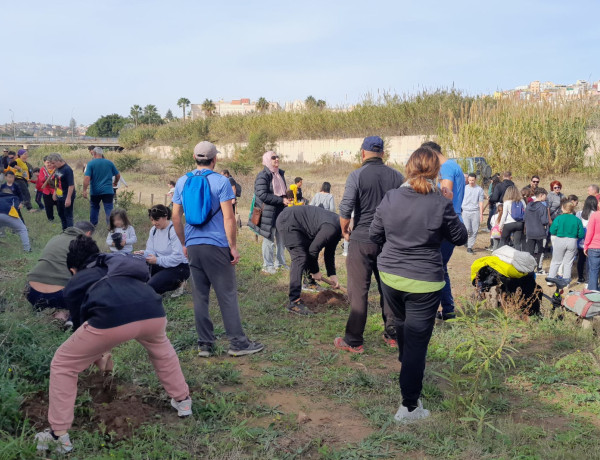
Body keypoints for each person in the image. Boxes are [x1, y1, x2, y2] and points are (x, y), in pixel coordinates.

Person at [35, 236, 192, 455]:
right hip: (152, 311)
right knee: (161, 351)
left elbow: (86, 331)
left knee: (63, 363)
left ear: (73, 269)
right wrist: (103, 352)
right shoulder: (115, 262)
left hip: (111, 321)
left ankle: (57, 435)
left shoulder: (75, 285)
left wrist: (100, 355)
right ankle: (183, 401)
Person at [369, 146, 467, 422]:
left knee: (401, 325)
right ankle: (409, 406)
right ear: (436, 171)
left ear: (409, 168)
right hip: (424, 281)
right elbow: (460, 237)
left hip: (390, 276)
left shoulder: (391, 197)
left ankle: (406, 367)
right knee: (416, 345)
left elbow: (375, 234)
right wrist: (449, 204)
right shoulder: (440, 202)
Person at [172, 141, 263, 357]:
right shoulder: (221, 181)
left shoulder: (182, 181)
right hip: (216, 245)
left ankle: (205, 344)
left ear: (194, 157)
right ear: (215, 159)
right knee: (227, 295)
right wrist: (233, 246)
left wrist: (184, 243)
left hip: (193, 245)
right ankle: (238, 344)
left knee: (200, 296)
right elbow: (229, 217)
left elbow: (176, 216)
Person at [335, 136, 405, 353]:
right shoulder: (397, 176)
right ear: (383, 154)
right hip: (389, 241)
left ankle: (354, 340)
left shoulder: (357, 175)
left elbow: (346, 208)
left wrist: (345, 230)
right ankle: (393, 335)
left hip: (362, 239)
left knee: (359, 290)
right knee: (389, 288)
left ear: (362, 153)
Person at [422, 141, 465, 320]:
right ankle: (447, 310)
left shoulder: (446, 168)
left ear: (432, 153)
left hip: (446, 223)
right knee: (440, 267)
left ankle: (431, 310)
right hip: (453, 220)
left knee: (434, 267)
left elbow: (444, 194)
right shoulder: (454, 166)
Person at [276, 205, 342, 315]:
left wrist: (332, 275)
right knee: (300, 257)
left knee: (305, 251)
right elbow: (313, 250)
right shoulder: (331, 227)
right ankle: (294, 302)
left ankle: (309, 282)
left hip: (299, 225)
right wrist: (315, 271)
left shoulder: (338, 227)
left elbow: (329, 253)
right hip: (288, 221)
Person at [26, 221, 95, 325]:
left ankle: (41, 310)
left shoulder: (55, 238)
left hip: (31, 291)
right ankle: (71, 319)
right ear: (88, 233)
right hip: (58, 296)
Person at [248, 151, 290, 274]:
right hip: (268, 213)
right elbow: (262, 194)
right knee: (269, 239)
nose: (276, 159)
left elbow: (281, 192)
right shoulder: (263, 176)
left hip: (280, 212)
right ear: (267, 160)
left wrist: (286, 198)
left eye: (277, 157)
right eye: (273, 158)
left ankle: (280, 263)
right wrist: (281, 200)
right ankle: (268, 265)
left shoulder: (279, 174)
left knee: (281, 239)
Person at [136, 204, 190, 297]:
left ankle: (179, 283)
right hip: (161, 264)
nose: (154, 223)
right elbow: (151, 251)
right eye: (152, 220)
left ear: (165, 217)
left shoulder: (174, 230)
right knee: (137, 275)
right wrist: (143, 253)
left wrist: (157, 260)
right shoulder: (153, 230)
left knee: (151, 287)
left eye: (157, 220)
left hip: (178, 267)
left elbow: (177, 258)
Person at [83, 147, 120, 226]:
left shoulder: (91, 164)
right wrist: (115, 182)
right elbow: (118, 175)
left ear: (94, 154)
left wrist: (84, 190)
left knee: (94, 208)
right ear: (101, 154)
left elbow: (87, 178)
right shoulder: (109, 163)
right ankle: (111, 227)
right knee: (109, 208)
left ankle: (93, 225)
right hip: (108, 191)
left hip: (95, 191)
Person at [548, 202, 584, 283]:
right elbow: (581, 234)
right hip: (572, 241)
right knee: (568, 263)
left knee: (556, 261)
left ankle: (550, 280)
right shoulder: (577, 220)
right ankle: (566, 282)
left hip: (560, 239)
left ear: (563, 208)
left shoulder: (559, 218)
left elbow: (552, 230)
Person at [48, 153, 76, 231]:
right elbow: (56, 181)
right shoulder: (57, 169)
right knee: (61, 214)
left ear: (59, 160)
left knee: (68, 215)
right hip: (59, 195)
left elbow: (71, 185)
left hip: (67, 195)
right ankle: (64, 231)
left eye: (53, 163)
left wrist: (68, 198)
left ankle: (70, 232)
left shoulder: (67, 169)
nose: (52, 165)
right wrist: (54, 193)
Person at [524, 188, 549, 274]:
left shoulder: (528, 205)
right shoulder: (542, 206)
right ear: (541, 195)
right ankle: (539, 268)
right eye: (546, 195)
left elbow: (525, 218)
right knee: (540, 251)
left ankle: (530, 269)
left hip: (530, 232)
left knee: (530, 251)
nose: (546, 197)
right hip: (540, 232)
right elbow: (545, 221)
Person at [461, 173, 484, 254]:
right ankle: (465, 240)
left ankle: (470, 247)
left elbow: (481, 202)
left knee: (474, 230)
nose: (471, 182)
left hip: (475, 212)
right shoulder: (464, 188)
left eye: (472, 180)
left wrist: (481, 214)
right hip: (466, 211)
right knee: (467, 229)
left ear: (475, 180)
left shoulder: (479, 190)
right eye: (469, 180)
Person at [576, 196, 597, 284]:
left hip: (581, 237)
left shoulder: (579, 213)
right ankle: (589, 279)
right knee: (590, 260)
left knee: (581, 258)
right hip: (591, 237)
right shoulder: (595, 213)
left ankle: (580, 277)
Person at [499, 185, 526, 250]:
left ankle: (500, 254)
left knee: (503, 240)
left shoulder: (507, 202)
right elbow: (526, 212)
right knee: (517, 243)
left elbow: (504, 215)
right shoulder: (522, 201)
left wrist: (501, 226)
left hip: (509, 223)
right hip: (519, 223)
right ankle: (517, 257)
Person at [36, 156, 56, 221]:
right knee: (48, 207)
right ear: (44, 163)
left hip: (56, 191)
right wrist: (46, 178)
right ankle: (50, 219)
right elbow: (41, 179)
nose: (49, 164)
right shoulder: (42, 170)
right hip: (47, 191)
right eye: (47, 162)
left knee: (60, 206)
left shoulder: (56, 169)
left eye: (50, 162)